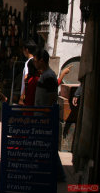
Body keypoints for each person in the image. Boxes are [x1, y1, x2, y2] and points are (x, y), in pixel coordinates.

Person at [33, 47, 66, 182]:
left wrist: (45, 114)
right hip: (41, 116)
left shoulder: (49, 76)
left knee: (48, 147)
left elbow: (52, 97)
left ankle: (59, 174)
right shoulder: (45, 74)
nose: (34, 63)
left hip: (45, 117)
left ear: (41, 61)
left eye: (35, 60)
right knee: (46, 146)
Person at [19, 40, 36, 105]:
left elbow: (26, 78)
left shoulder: (28, 62)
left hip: (27, 95)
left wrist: (21, 97)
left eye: (23, 50)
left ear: (27, 50)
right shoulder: (35, 61)